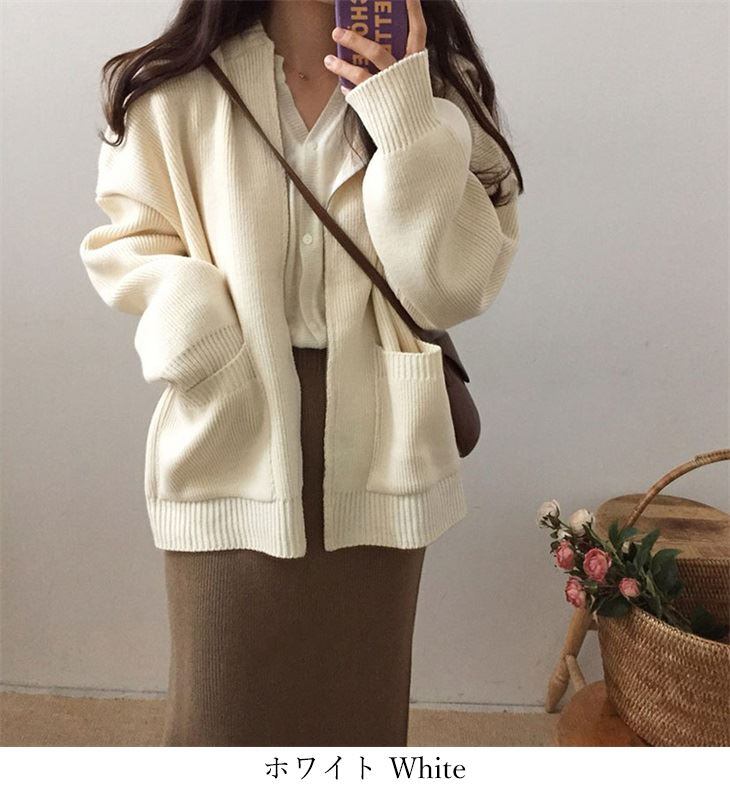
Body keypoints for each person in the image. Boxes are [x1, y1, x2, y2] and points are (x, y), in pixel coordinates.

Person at [78, 0, 523, 747]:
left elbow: (451, 287)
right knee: (218, 720)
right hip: (229, 420)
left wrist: (402, 110)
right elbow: (129, 241)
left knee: (356, 720)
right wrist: (200, 334)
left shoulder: (439, 89)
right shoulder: (178, 85)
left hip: (381, 434)